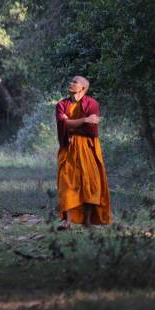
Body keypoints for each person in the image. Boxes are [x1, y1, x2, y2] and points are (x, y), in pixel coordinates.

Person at [55, 75, 112, 230]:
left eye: (75, 82)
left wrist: (71, 124)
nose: (71, 83)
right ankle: (67, 221)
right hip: (69, 147)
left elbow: (92, 130)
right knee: (66, 182)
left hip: (88, 148)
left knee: (89, 183)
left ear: (83, 88)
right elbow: (62, 124)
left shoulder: (92, 104)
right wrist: (84, 120)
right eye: (70, 80)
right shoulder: (61, 104)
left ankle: (87, 221)